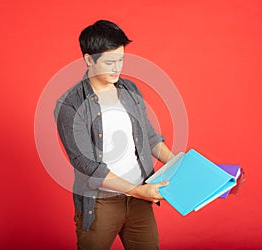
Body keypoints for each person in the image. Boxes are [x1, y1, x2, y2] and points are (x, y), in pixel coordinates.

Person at [54, 20, 174, 250]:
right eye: (110, 62)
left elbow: (149, 138)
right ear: (89, 59)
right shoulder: (69, 105)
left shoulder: (130, 90)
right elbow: (86, 164)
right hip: (100, 205)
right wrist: (139, 190)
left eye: (121, 60)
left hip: (140, 202)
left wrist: (183, 163)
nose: (117, 68)